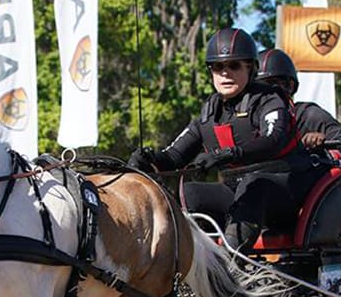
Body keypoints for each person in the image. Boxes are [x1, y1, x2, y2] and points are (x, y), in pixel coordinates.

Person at [126, 27, 322, 248]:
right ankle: (189, 260)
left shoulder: (269, 100)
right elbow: (174, 156)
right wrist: (148, 160)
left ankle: (228, 264)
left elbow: (273, 139)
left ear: (251, 68)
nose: (225, 73)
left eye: (234, 65)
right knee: (190, 194)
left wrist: (230, 153)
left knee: (254, 186)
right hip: (239, 192)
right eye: (218, 67)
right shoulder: (209, 113)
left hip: (286, 191)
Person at [256, 48, 341, 156]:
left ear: (290, 86)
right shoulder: (248, 121)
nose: (265, 93)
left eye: (272, 84)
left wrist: (324, 149)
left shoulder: (307, 116)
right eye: (257, 87)